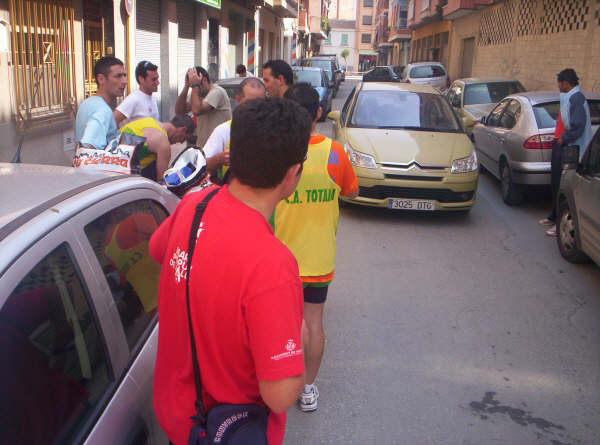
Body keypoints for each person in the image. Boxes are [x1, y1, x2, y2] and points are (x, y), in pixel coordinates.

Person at [149, 97, 312, 445]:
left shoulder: (194, 203)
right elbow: (281, 396)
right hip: (225, 431)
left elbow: (157, 250)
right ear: (292, 172)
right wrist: (300, 330)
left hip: (179, 418)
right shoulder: (272, 265)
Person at [273, 83, 358, 412]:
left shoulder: (279, 152)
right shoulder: (335, 153)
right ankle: (307, 388)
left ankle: (280, 383)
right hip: (320, 258)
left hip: (280, 259)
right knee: (313, 322)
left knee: (284, 324)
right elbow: (352, 191)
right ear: (318, 113)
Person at [540, 68, 591, 237]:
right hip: (561, 144)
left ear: (566, 83)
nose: (558, 86)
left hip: (569, 149)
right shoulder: (568, 97)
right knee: (556, 183)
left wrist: (564, 139)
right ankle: (554, 216)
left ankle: (561, 222)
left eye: (559, 83)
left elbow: (578, 125)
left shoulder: (577, 98)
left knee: (565, 187)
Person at [203, 77, 266, 183]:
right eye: (250, 103)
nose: (256, 108)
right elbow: (202, 166)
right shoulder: (224, 131)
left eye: (260, 103)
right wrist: (220, 159)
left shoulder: (274, 129)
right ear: (238, 100)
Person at [120, 115, 195, 181]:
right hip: (127, 179)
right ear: (182, 130)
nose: (181, 142)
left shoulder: (148, 121)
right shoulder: (163, 142)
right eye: (184, 138)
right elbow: (161, 181)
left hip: (112, 170)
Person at [75, 56, 126, 149]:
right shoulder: (103, 110)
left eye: (124, 76)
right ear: (101, 79)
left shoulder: (87, 103)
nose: (124, 81)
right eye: (118, 76)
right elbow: (87, 145)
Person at [175, 66, 231, 147]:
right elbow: (179, 111)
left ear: (204, 80)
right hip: (203, 146)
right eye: (193, 86)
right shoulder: (197, 93)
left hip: (220, 147)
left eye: (197, 85)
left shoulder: (217, 91)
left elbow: (197, 110)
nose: (195, 88)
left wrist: (195, 86)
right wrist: (186, 86)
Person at [114, 60, 160, 126]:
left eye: (157, 79)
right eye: (153, 79)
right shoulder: (133, 99)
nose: (158, 83)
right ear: (141, 79)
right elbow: (112, 121)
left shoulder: (153, 98)